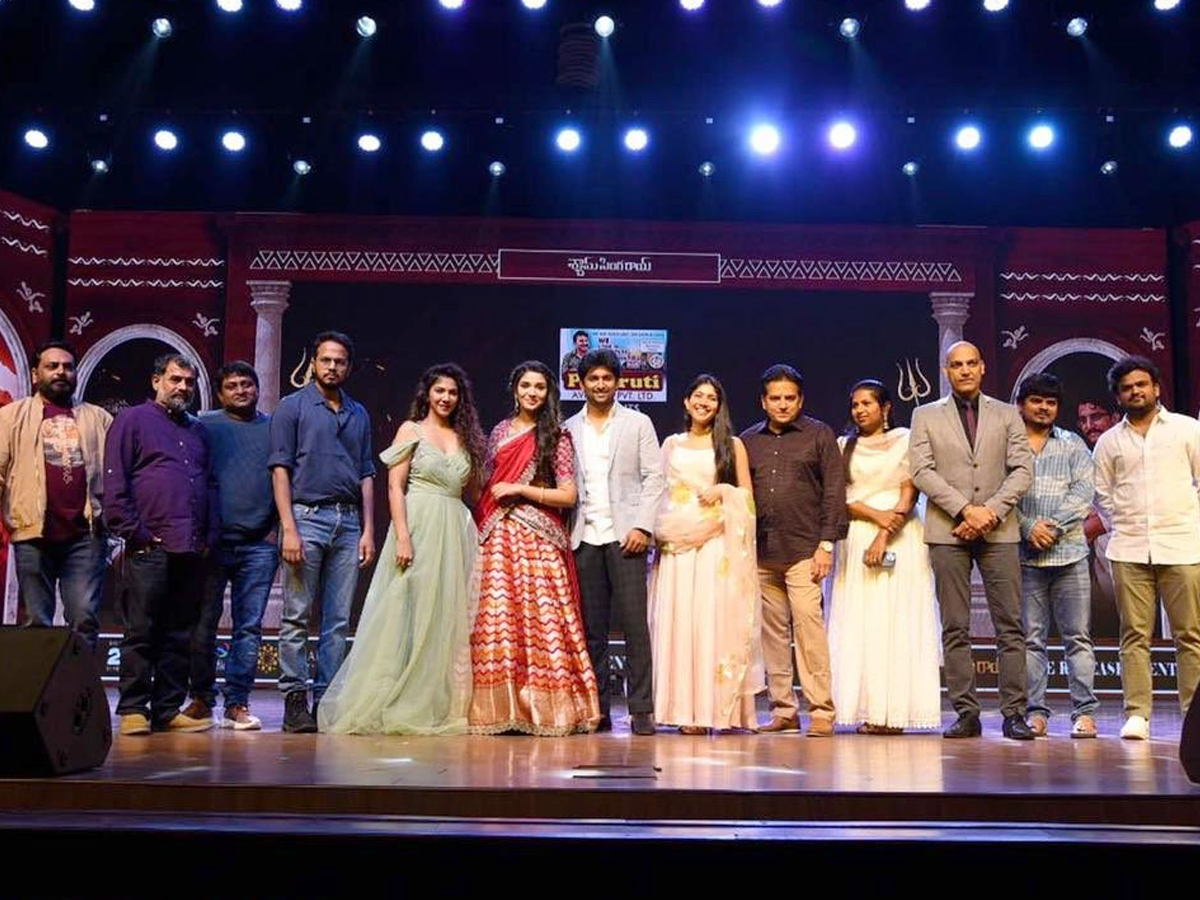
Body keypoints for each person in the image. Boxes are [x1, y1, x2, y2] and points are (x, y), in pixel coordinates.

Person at [319, 364, 484, 735]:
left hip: (455, 529)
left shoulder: (465, 437)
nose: (446, 398)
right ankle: (396, 697)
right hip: (419, 523)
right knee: (407, 610)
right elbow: (395, 486)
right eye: (440, 391)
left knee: (445, 615)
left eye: (453, 392)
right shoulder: (411, 430)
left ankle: (435, 700)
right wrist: (404, 536)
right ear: (427, 394)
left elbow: (473, 492)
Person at [909, 341, 1035, 740]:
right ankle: (966, 713)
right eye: (956, 365)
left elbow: (1022, 470)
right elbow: (921, 471)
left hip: (999, 530)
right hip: (948, 531)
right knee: (955, 626)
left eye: (970, 363)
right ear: (946, 371)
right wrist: (966, 510)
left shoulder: (1007, 413)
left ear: (982, 368)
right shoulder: (924, 415)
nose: (964, 370)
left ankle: (1014, 713)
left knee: (1010, 625)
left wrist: (989, 513)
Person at [469, 361, 601, 735]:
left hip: (539, 542)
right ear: (515, 389)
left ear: (548, 393)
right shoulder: (499, 431)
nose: (532, 393)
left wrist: (520, 490)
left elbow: (568, 495)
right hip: (498, 538)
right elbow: (487, 485)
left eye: (540, 387)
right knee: (499, 621)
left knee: (545, 625)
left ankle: (549, 711)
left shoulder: (557, 436)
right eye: (526, 385)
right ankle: (499, 710)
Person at [104, 353, 219, 735]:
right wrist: (134, 532)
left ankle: (167, 709)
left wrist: (209, 536)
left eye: (188, 381)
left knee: (179, 633)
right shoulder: (132, 420)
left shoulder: (198, 430)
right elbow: (115, 481)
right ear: (156, 381)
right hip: (149, 546)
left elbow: (210, 484)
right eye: (175, 379)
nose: (182, 387)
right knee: (141, 630)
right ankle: (133, 709)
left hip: (191, 547)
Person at [269, 331, 376, 733]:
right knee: (296, 615)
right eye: (326, 360)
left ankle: (326, 700)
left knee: (337, 620)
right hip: (306, 517)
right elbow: (280, 469)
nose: (332, 367)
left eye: (340, 361)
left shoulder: (358, 412)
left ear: (348, 367)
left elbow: (366, 472)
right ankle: (295, 700)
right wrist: (288, 528)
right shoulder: (292, 407)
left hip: (348, 522)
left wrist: (368, 529)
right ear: (313, 363)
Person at [1093, 356, 1200, 741]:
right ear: (1118, 396)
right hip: (1129, 548)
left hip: (1181, 544)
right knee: (1135, 634)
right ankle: (1138, 713)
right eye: (1127, 388)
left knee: (1190, 635)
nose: (1135, 391)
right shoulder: (1109, 441)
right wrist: (1124, 525)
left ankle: (1194, 716)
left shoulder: (1187, 430)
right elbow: (1102, 495)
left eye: (1142, 384)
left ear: (1156, 388)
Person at [649, 374, 761, 734]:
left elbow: (748, 500)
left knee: (711, 623)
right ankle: (684, 711)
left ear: (719, 405)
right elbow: (656, 493)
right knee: (681, 623)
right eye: (698, 396)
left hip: (715, 547)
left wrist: (724, 490)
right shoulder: (671, 444)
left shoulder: (732, 445)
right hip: (677, 550)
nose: (704, 403)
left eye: (711, 398)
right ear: (686, 401)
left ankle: (714, 711)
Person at [827, 379, 941, 734]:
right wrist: (874, 516)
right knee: (861, 622)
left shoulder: (905, 439)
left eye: (867, 403)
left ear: (886, 407)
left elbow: (909, 492)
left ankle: (896, 713)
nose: (860, 410)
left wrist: (884, 534)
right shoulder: (843, 445)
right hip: (856, 535)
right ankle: (867, 710)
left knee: (896, 621)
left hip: (901, 537)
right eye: (855, 404)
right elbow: (837, 496)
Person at [740, 364, 846, 737]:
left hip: (805, 550)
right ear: (763, 402)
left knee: (808, 631)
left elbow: (834, 492)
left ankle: (821, 710)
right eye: (775, 398)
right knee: (771, 635)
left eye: (789, 398)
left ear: (800, 400)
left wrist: (826, 545)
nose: (782, 404)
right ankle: (784, 709)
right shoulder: (748, 441)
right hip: (762, 553)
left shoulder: (819, 435)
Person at [565, 348, 664, 735]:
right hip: (584, 537)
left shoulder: (638, 423)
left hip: (626, 537)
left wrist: (642, 527)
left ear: (618, 382)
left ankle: (641, 709)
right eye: (593, 378)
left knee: (636, 626)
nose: (600, 384)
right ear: (582, 383)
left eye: (607, 378)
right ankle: (599, 708)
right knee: (592, 631)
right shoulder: (568, 428)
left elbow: (654, 478)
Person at [0, 340, 111, 651]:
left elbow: (115, 474)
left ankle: (80, 682)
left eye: (68, 367)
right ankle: (40, 683)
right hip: (33, 534)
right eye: (52, 366)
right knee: (37, 622)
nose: (61, 372)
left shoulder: (98, 418)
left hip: (86, 536)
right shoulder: (11, 417)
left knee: (84, 619)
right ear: (36, 374)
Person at [187, 362, 279, 731]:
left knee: (249, 628)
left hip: (258, 545)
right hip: (211, 545)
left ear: (257, 388)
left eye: (247, 384)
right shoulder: (202, 425)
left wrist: (275, 529)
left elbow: (285, 477)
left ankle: (237, 703)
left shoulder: (274, 428)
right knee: (202, 625)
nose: (241, 391)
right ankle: (201, 699)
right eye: (232, 386)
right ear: (220, 393)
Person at [1015, 373, 1099, 738]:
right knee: (1031, 639)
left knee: (1077, 637)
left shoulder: (1072, 443)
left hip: (1070, 554)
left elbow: (1083, 493)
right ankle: (1036, 713)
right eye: (1036, 401)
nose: (1044, 408)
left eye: (1050, 402)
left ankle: (1085, 713)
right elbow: (999, 495)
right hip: (1025, 558)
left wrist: (1051, 529)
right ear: (1021, 405)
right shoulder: (1008, 445)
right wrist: (1027, 528)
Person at [1078, 397, 1121, 639]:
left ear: (1114, 418)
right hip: (1098, 560)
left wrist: (1085, 529)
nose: (1089, 426)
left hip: (1128, 551)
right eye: (1083, 420)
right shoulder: (1087, 456)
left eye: (1096, 417)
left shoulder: (1124, 450)